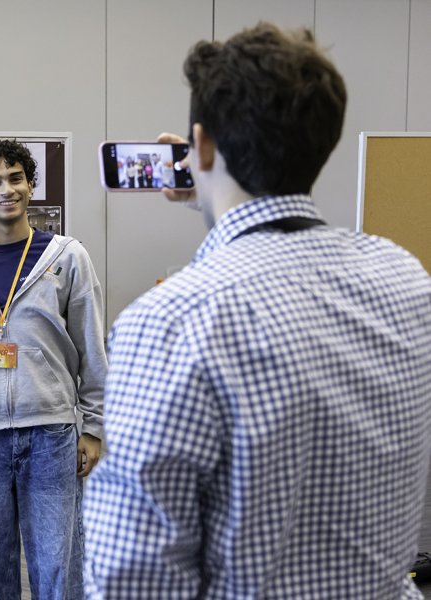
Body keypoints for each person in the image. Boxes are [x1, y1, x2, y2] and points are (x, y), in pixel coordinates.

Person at [83, 23, 431, 598]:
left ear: (201, 145)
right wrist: (215, 190)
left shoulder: (168, 320)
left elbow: (135, 579)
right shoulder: (406, 280)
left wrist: (216, 188)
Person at [0, 139, 107, 599]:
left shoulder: (67, 256)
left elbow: (92, 348)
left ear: (31, 185)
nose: (6, 189)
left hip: (50, 432)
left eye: (16, 178)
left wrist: (94, 427)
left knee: (56, 558)